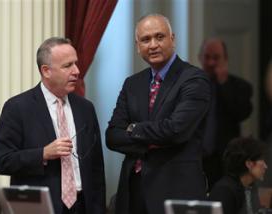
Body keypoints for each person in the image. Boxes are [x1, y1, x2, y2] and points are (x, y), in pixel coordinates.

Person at [106, 14, 211, 214]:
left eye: (159, 37)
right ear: (137, 46)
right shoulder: (132, 84)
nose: (153, 44)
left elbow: (175, 130)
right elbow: (112, 136)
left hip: (175, 190)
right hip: (133, 191)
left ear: (173, 38)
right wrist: (153, 138)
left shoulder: (194, 79)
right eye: (145, 40)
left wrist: (133, 129)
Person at [0, 37, 105, 214]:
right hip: (40, 207)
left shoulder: (85, 108)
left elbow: (97, 168)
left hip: (83, 205)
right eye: (67, 66)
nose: (76, 71)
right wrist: (42, 154)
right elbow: (2, 161)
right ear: (46, 71)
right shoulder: (18, 108)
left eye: (75, 63)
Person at [199, 38, 253, 191]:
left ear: (225, 59)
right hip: (196, 159)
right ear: (200, 58)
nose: (211, 63)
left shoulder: (241, 86)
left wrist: (224, 85)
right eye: (207, 57)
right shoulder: (192, 85)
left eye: (216, 58)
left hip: (225, 159)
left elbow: (242, 113)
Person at [209, 137, 267, 214]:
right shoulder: (224, 192)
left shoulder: (250, 187)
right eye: (262, 160)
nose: (266, 166)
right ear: (249, 164)